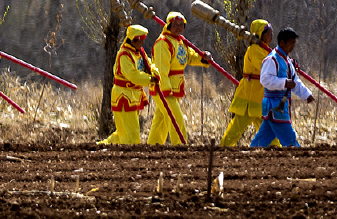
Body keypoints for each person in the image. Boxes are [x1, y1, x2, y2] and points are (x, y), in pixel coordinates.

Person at [148, 12, 211, 146]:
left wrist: (203, 58)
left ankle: (153, 147)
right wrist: (165, 90)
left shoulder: (181, 41)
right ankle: (181, 147)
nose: (178, 27)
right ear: (169, 25)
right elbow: (161, 70)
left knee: (161, 121)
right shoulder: (163, 43)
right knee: (176, 119)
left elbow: (189, 57)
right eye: (175, 25)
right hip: (164, 89)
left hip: (175, 88)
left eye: (181, 25)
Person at [250, 28, 315, 148]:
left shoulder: (287, 61)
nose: (293, 46)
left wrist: (306, 95)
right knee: (289, 139)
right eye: (291, 43)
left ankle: (248, 155)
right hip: (274, 107)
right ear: (282, 43)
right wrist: (284, 83)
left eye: (294, 43)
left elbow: (295, 81)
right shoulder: (272, 59)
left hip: (279, 107)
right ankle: (299, 158)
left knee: (262, 139)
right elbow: (265, 80)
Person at [98, 24, 160, 145]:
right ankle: (130, 154)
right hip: (124, 96)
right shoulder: (124, 55)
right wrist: (150, 79)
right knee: (131, 133)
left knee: (123, 132)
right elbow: (133, 76)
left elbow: (148, 63)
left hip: (134, 95)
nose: (142, 44)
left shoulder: (137, 52)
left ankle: (101, 146)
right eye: (140, 41)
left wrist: (154, 71)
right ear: (134, 40)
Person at [220, 19, 274, 147]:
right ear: (260, 35)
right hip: (249, 96)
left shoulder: (266, 50)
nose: (271, 35)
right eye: (268, 32)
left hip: (260, 96)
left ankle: (275, 150)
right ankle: (223, 149)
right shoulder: (255, 49)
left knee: (268, 128)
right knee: (237, 127)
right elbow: (265, 68)